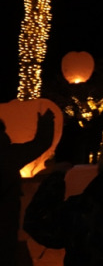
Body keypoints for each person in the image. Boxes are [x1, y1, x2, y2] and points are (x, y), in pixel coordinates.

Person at [0, 108, 55, 266]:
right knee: (6, 245)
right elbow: (40, 144)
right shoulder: (10, 154)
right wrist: (46, 124)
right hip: (7, 208)